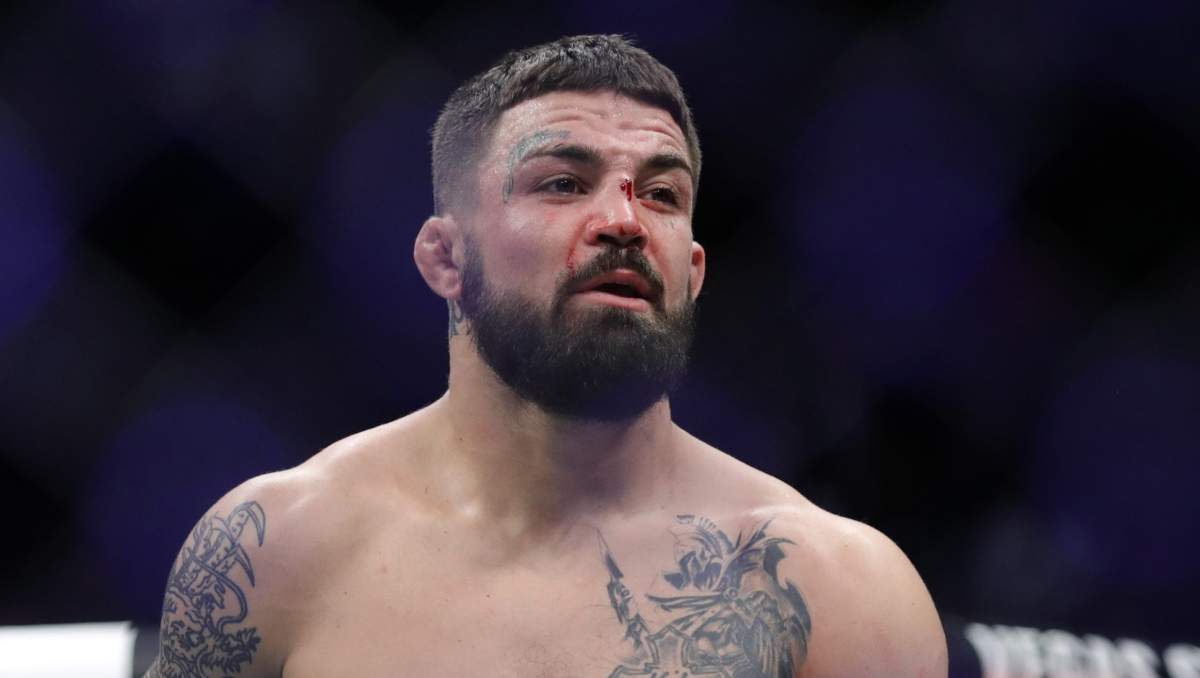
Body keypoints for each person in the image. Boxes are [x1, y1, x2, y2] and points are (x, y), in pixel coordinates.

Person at [145, 34, 947, 678]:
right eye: (563, 183)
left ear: (693, 272)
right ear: (446, 257)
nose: (624, 220)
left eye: (662, 194)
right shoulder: (278, 548)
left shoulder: (831, 583)